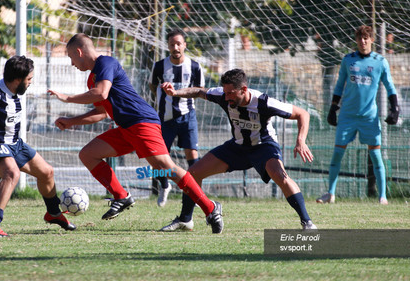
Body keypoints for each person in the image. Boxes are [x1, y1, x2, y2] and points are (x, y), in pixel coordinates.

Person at [48, 33, 224, 233]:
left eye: (71, 57)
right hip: (126, 128)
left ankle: (211, 209)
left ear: (79, 52)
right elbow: (101, 112)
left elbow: (102, 93)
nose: (72, 63)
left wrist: (67, 98)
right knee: (88, 154)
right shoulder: (92, 79)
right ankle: (121, 196)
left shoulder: (105, 62)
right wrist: (71, 121)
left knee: (167, 168)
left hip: (142, 122)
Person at [159, 68, 317, 232]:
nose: (227, 98)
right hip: (237, 147)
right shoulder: (223, 96)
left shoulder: (264, 102)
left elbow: (302, 114)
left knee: (280, 176)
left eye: (231, 93)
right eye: (225, 93)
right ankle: (185, 220)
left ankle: (308, 223)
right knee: (191, 174)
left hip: (264, 146)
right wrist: (175, 92)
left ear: (244, 90)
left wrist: (300, 141)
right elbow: (199, 91)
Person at [0, 56, 75, 237]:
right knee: (12, 174)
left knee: (47, 172)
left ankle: (54, 213)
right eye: (29, 79)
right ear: (17, 80)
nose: (31, 83)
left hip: (15, 144)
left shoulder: (14, 91)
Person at [316, 25, 399, 205]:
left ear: (372, 39)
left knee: (376, 156)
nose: (362, 41)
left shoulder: (380, 62)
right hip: (347, 116)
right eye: (359, 38)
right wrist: (332, 108)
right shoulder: (348, 60)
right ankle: (330, 194)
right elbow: (339, 86)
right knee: (337, 153)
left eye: (366, 38)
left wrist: (395, 108)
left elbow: (390, 87)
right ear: (356, 40)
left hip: (369, 117)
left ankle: (382, 196)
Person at [149, 28, 204, 207]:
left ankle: (194, 193)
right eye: (172, 44)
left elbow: (200, 91)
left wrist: (178, 92)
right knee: (157, 157)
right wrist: (162, 96)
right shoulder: (159, 66)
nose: (175, 47)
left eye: (178, 43)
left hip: (188, 116)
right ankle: (164, 186)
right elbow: (152, 85)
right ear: (168, 46)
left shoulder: (195, 66)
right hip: (165, 118)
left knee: (192, 155)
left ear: (184, 45)